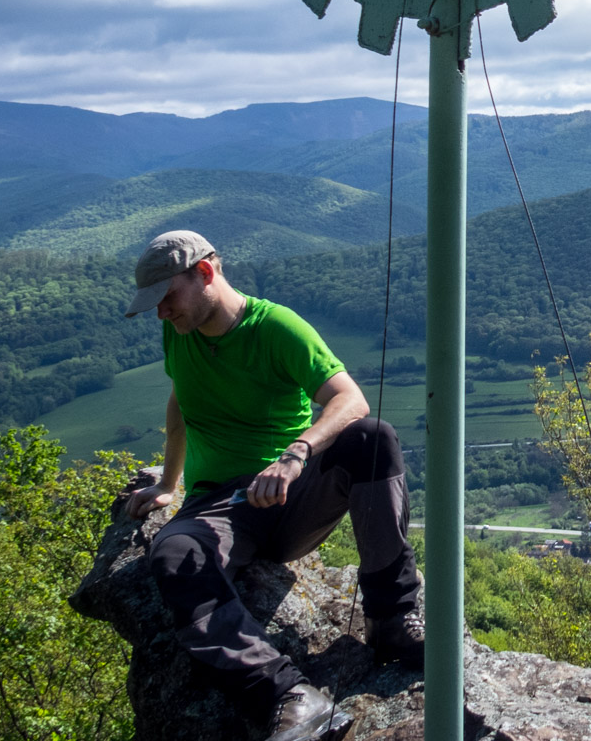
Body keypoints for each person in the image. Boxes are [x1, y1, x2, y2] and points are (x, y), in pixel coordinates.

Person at [122, 230, 423, 741]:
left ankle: (390, 618)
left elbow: (349, 400)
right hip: (221, 502)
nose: (160, 313)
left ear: (206, 274)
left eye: (166, 297)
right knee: (174, 555)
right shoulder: (179, 330)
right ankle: (290, 696)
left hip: (291, 496)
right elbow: (181, 402)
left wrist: (296, 453)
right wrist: (168, 484)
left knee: (372, 439)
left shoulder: (277, 328)